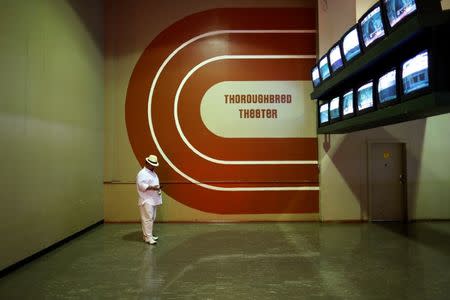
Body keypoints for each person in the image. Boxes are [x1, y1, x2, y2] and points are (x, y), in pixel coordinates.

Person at [136, 154, 162, 245]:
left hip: (153, 199)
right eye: (151, 164)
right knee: (147, 219)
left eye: (154, 165)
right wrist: (154, 188)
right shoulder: (142, 173)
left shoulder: (153, 173)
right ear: (146, 163)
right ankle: (148, 237)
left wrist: (157, 188)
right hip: (146, 199)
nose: (153, 166)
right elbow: (142, 186)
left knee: (151, 218)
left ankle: (148, 235)